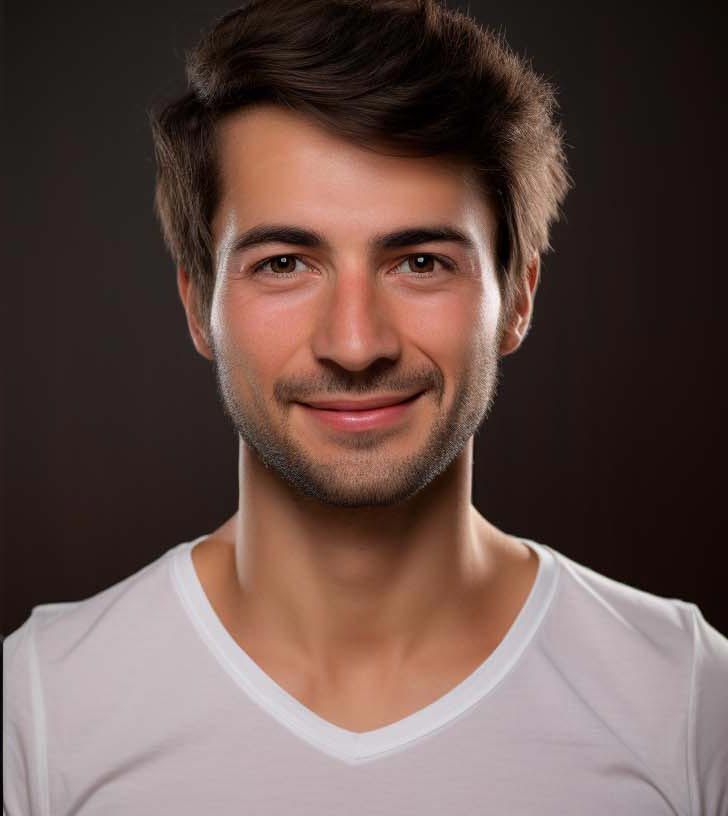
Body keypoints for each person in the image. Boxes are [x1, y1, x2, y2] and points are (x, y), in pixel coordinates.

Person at [4, 0, 727, 813]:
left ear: (519, 297)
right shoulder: (41, 708)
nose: (355, 344)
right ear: (197, 302)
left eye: (419, 261)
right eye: (285, 263)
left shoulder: (689, 700)